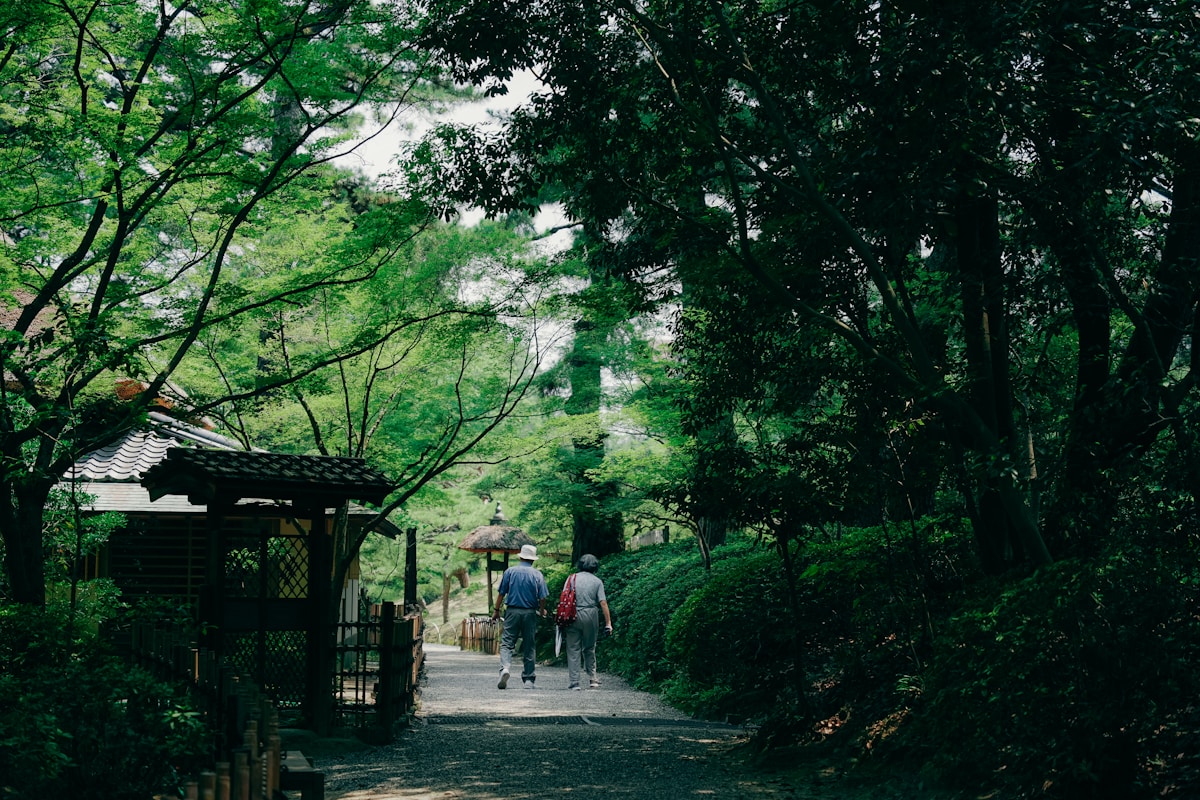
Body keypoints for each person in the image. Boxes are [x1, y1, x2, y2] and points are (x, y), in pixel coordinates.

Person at [492, 543, 549, 689]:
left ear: (521, 557)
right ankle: (529, 680)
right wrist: (542, 610)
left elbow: (501, 593)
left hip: (512, 611)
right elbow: (542, 597)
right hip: (529, 613)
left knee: (507, 642)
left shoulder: (510, 572)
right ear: (533, 559)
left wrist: (496, 610)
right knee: (529, 645)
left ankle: (505, 668)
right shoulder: (537, 574)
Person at [562, 553, 613, 691]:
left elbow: (564, 598)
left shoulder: (571, 578)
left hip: (572, 614)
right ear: (595, 566)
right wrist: (608, 622)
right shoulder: (597, 581)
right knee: (590, 647)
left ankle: (574, 683)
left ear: (580, 565)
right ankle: (592, 678)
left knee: (573, 648)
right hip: (591, 614)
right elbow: (603, 603)